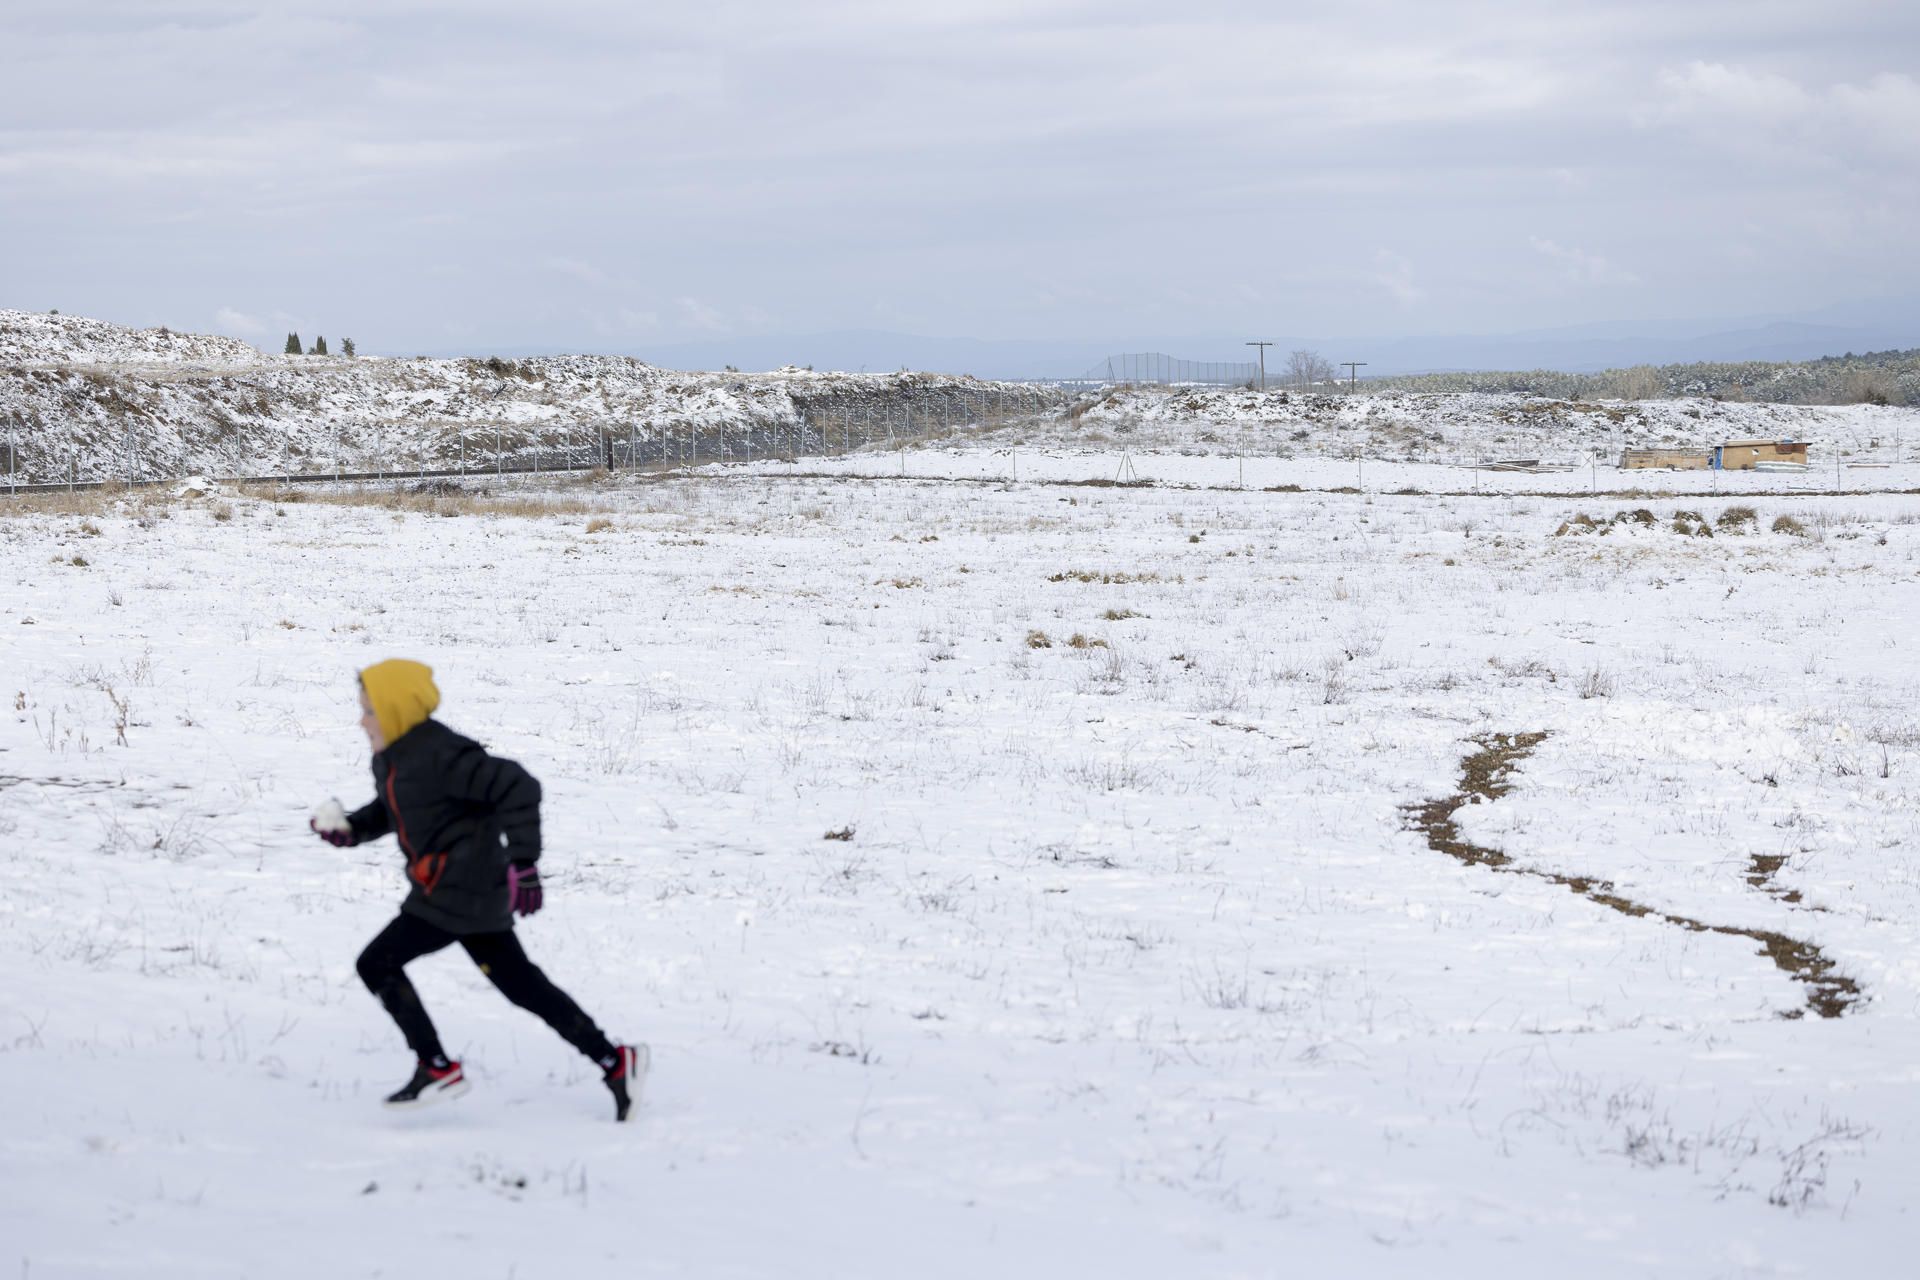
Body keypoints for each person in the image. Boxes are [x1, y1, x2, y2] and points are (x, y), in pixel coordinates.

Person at [310, 658, 646, 1120]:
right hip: (458, 892)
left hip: (457, 893)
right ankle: (615, 1061)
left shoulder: (443, 755)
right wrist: (352, 829)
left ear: (394, 711)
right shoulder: (394, 757)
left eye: (368, 710)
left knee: (377, 963)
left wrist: (524, 861)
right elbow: (398, 809)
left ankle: (436, 1067)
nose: (361, 720)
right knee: (523, 987)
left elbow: (518, 786)